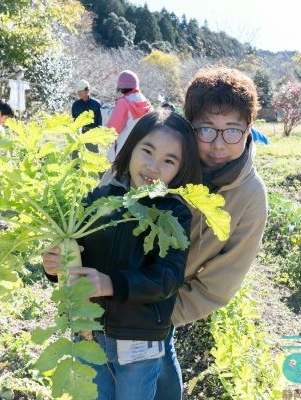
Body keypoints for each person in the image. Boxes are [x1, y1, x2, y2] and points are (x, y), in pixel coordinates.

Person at [42, 110, 202, 400]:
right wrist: (53, 265)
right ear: (131, 148)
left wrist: (112, 283)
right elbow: (76, 257)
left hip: (139, 344)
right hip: (89, 331)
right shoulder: (99, 199)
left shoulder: (174, 212)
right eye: (148, 151)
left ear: (180, 169)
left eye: (169, 161)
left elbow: (168, 277)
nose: (154, 166)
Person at [153, 66, 269, 399]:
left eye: (232, 130)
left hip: (157, 310)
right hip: (101, 297)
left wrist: (154, 317)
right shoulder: (162, 156)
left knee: (159, 383)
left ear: (249, 129)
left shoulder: (250, 198)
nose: (219, 144)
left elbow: (217, 287)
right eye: (206, 130)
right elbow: (107, 198)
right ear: (190, 127)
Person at [106, 70, 152, 162]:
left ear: (121, 87)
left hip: (122, 150)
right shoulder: (147, 104)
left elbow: (112, 129)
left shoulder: (123, 102)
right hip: (142, 150)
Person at [71, 79, 102, 153]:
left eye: (81, 91)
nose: (79, 93)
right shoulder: (75, 105)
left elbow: (99, 123)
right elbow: (74, 121)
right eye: (78, 92)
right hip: (78, 136)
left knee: (93, 159)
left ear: (87, 90)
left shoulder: (96, 104)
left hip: (91, 136)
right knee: (76, 159)